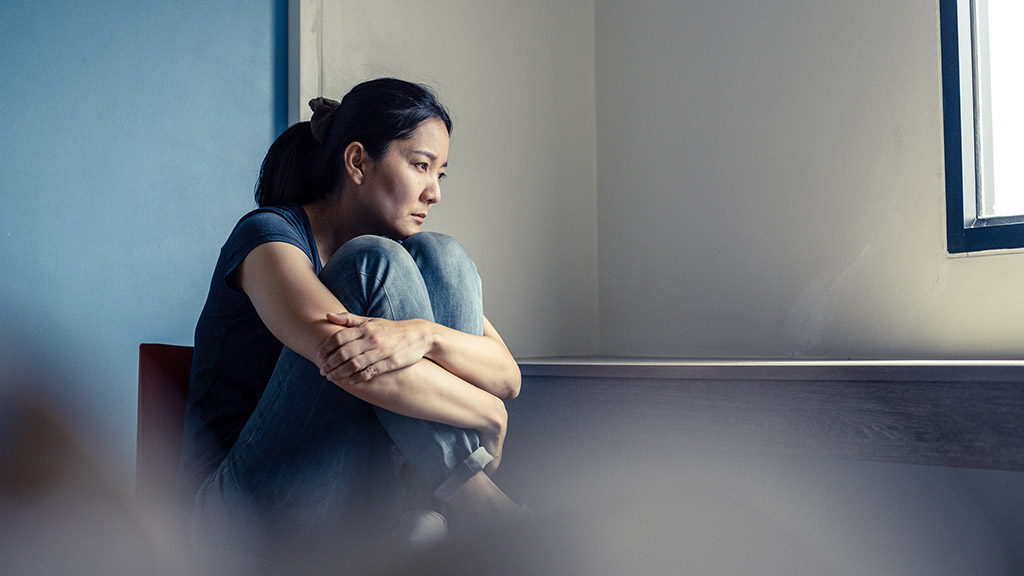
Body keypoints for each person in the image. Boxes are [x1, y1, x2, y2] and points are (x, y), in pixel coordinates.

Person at [178, 78, 522, 566]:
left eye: (442, 174)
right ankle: (467, 493)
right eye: (422, 166)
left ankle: (424, 516)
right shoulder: (268, 239)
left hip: (352, 502)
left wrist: (422, 334)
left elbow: (505, 375)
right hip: (237, 516)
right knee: (374, 261)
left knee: (444, 255)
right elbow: (342, 358)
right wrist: (488, 414)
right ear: (358, 162)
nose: (434, 192)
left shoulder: (406, 264)